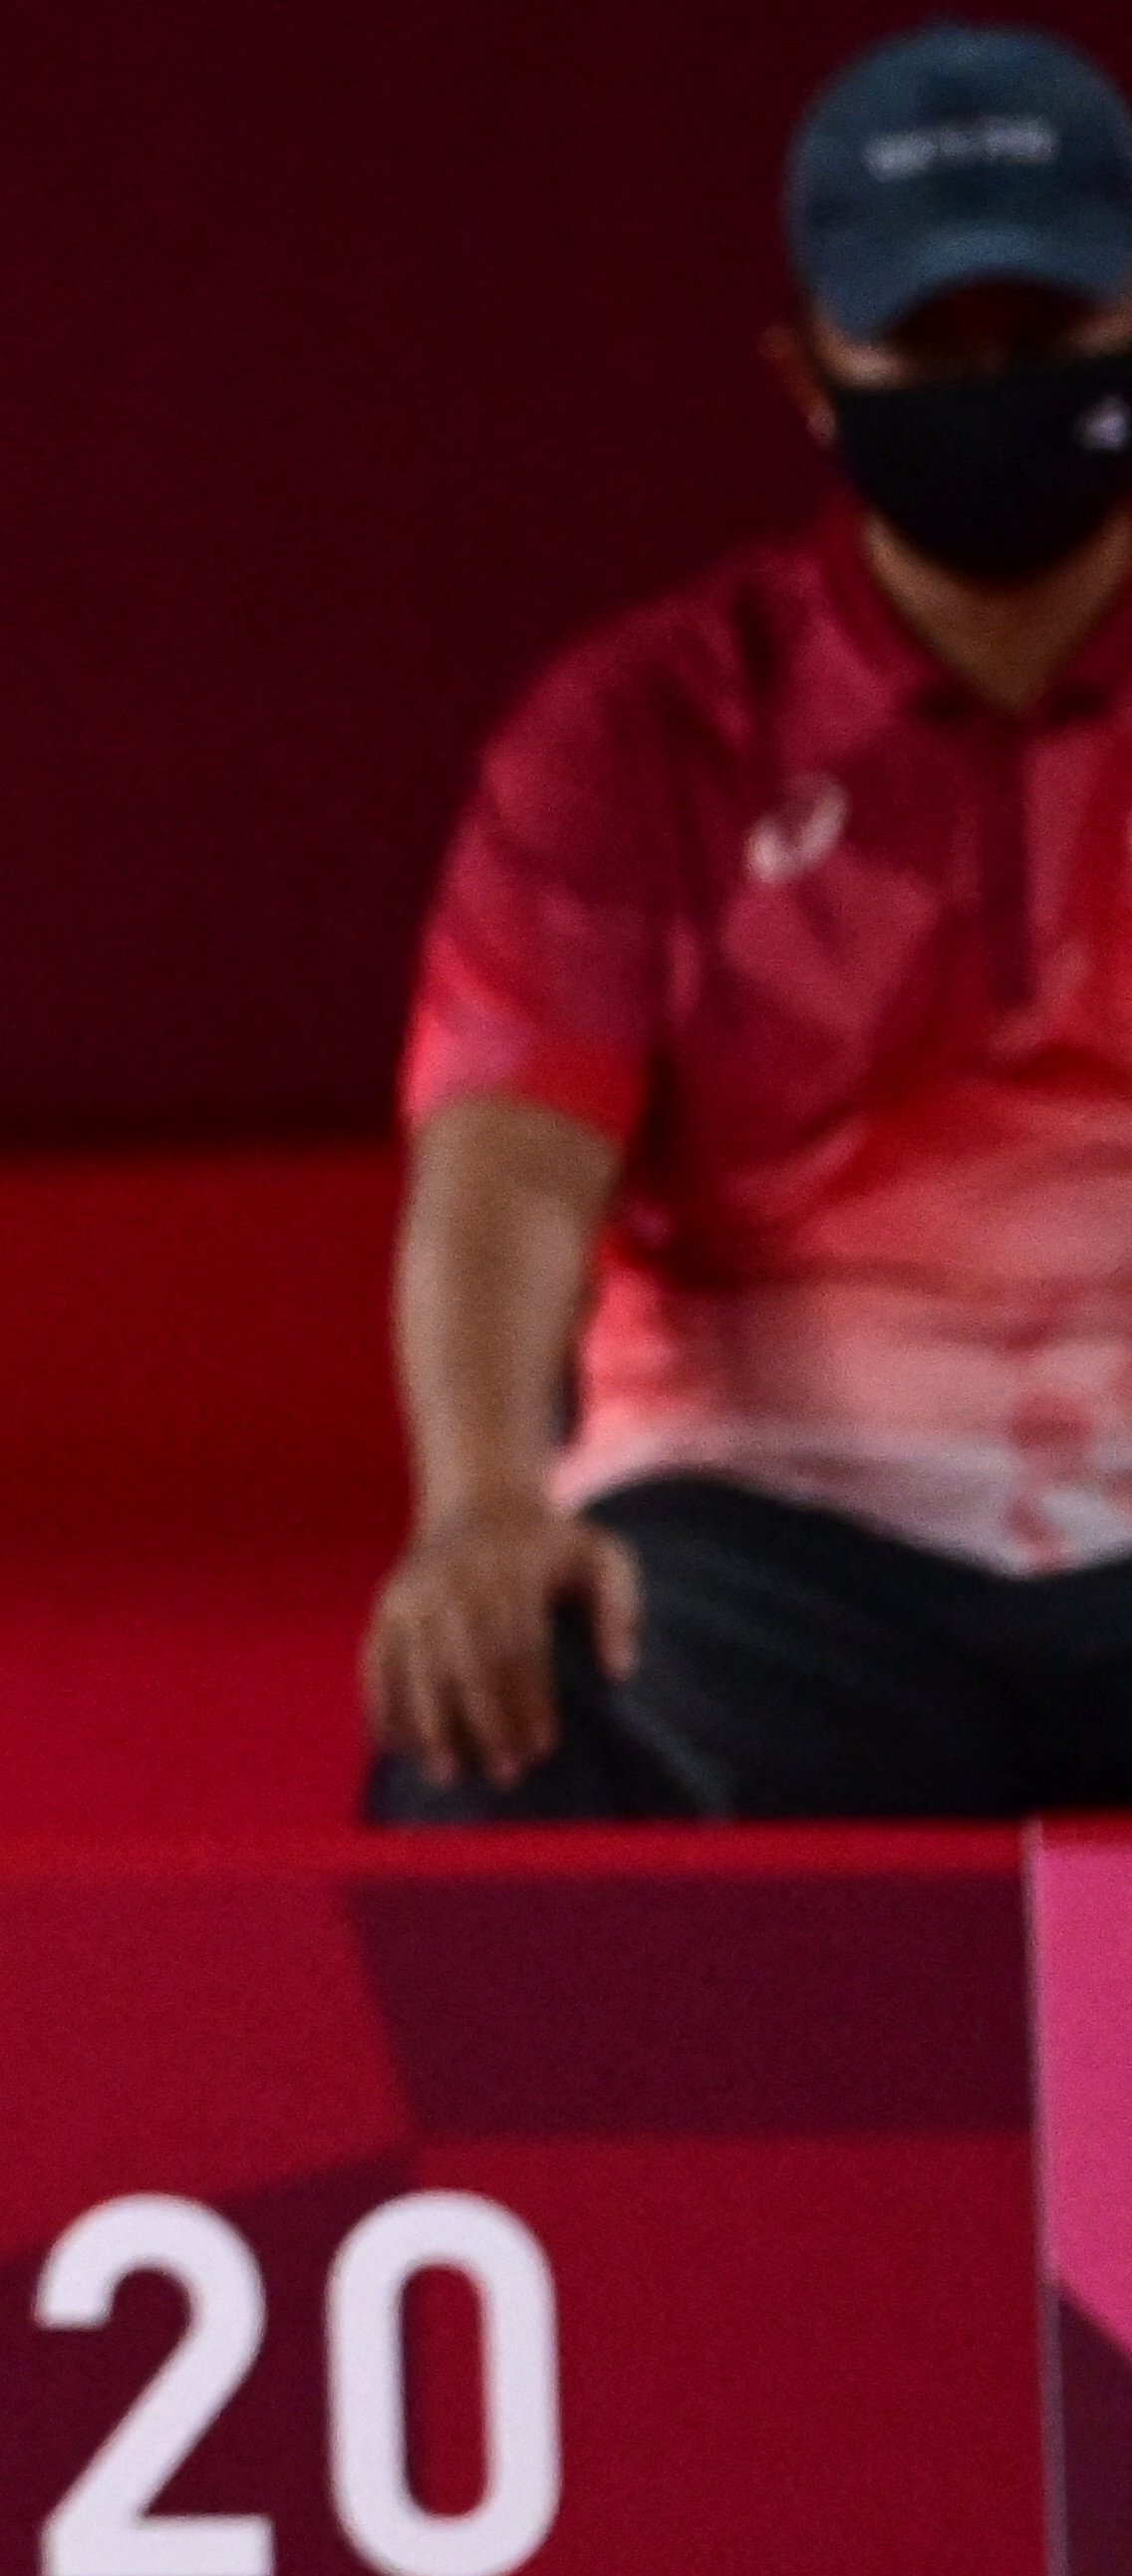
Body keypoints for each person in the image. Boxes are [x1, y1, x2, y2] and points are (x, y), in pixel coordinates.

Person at [368, 21, 1132, 1820]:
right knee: (493, 1713)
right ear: (811, 374)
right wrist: (481, 1504)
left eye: (1043, 339)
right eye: (926, 349)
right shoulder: (639, 731)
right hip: (769, 1532)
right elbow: (505, 1172)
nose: (988, 383)